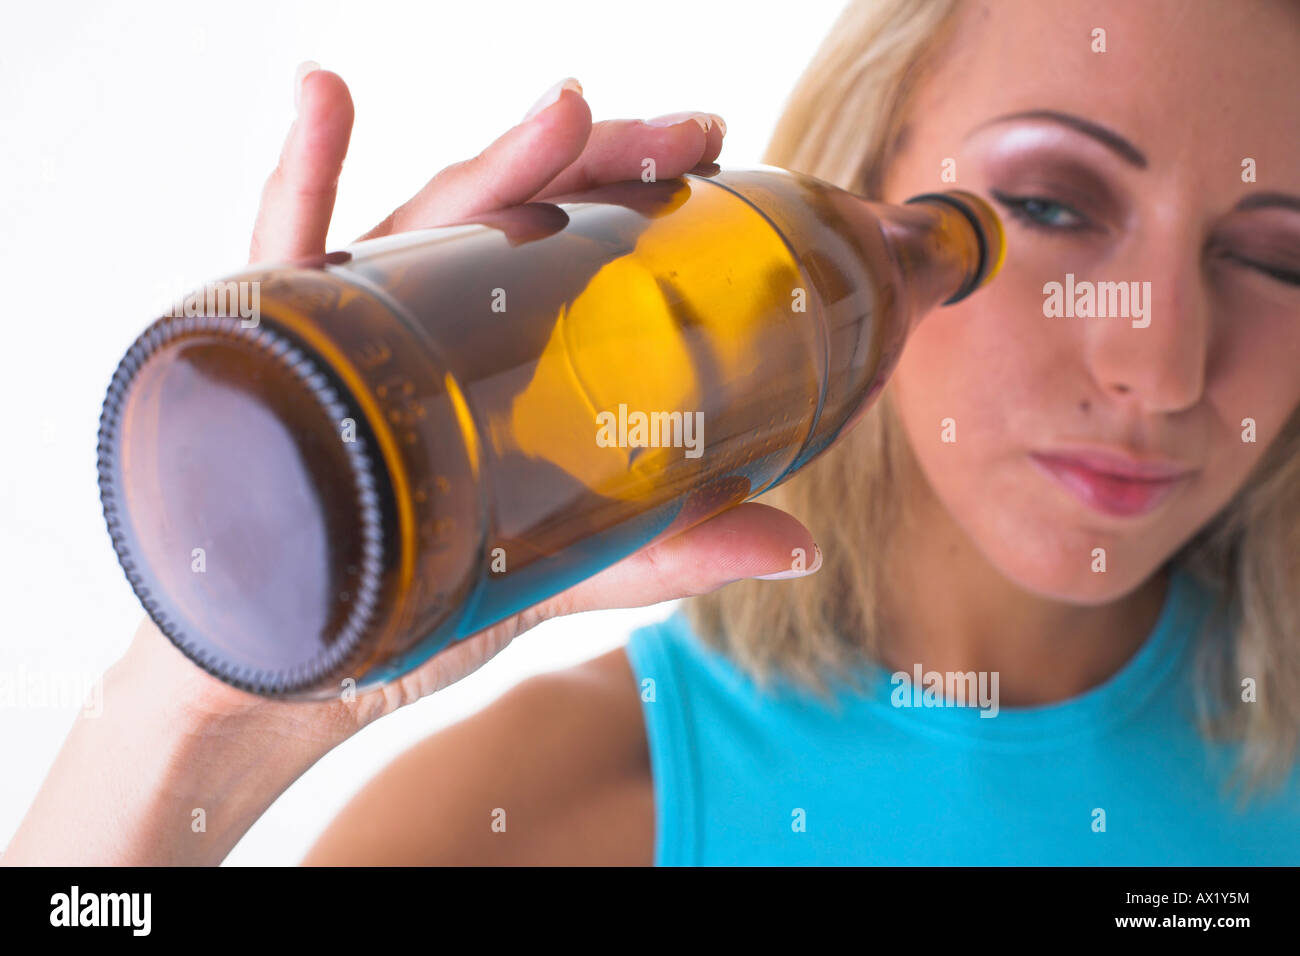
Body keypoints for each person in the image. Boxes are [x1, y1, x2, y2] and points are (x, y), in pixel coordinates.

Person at [6, 0, 1300, 866]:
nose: (1162, 363)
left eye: (1276, 258)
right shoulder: (560, 807)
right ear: (870, 163)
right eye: (1050, 206)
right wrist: (207, 719)